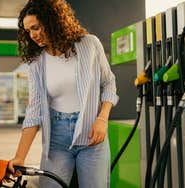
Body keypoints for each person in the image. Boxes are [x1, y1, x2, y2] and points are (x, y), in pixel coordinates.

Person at [8, 0, 119, 187]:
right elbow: (34, 110)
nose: (32, 35)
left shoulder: (89, 44)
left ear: (52, 21)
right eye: (28, 31)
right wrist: (20, 156)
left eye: (35, 27)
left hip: (92, 134)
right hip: (56, 138)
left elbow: (109, 83)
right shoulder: (37, 62)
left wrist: (102, 119)